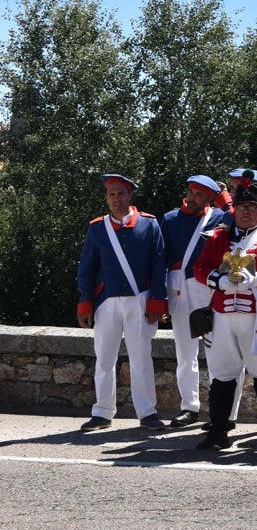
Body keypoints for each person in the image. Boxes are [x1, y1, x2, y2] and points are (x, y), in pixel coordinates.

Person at [192, 180, 257, 451]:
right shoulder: (218, 238)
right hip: (222, 316)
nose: (246, 211)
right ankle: (218, 432)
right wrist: (217, 280)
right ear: (233, 210)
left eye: (252, 207)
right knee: (222, 375)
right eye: (241, 206)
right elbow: (200, 267)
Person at [76, 174, 168, 432]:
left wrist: (158, 302)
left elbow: (159, 265)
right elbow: (87, 268)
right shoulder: (97, 228)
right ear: (106, 198)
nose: (116, 199)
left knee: (142, 359)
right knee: (104, 359)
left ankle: (147, 412)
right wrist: (85, 303)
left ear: (130, 196)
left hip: (140, 301)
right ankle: (102, 412)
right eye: (111, 194)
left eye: (121, 193)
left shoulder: (150, 225)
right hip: (106, 302)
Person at [160, 174, 226, 428]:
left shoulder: (221, 217)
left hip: (208, 291)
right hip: (178, 290)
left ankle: (220, 410)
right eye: (190, 192)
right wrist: (159, 298)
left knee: (216, 353)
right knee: (185, 355)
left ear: (210, 197)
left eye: (199, 194)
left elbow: (244, 217)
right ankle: (189, 407)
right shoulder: (170, 219)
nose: (191, 198)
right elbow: (160, 260)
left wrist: (224, 197)